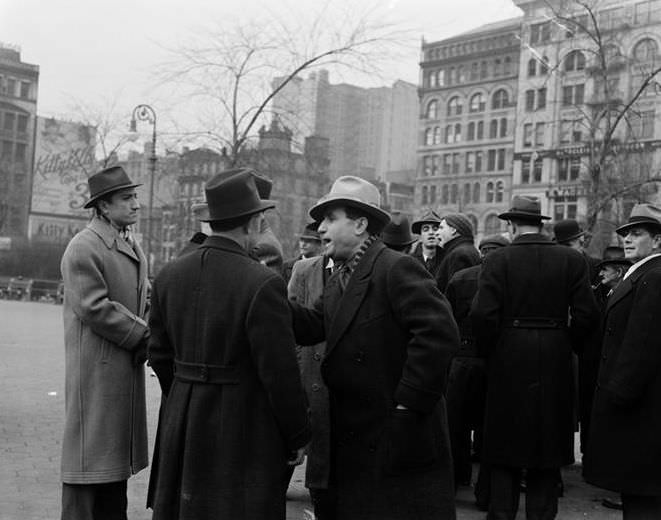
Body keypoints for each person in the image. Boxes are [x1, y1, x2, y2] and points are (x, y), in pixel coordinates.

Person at [290, 175, 460, 519]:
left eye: (330, 219)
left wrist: (407, 407)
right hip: (360, 437)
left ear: (360, 224)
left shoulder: (396, 268)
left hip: (398, 435)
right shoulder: (341, 277)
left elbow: (439, 335)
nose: (320, 229)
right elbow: (313, 325)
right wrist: (264, 294)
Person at [147, 169, 311, 520]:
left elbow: (158, 353)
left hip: (183, 417)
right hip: (242, 422)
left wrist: (183, 393)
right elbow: (278, 371)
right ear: (253, 222)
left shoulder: (168, 275)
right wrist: (297, 434)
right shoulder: (262, 282)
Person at [472, 196, 599, 520]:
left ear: (512, 225)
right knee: (547, 449)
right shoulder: (571, 260)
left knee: (503, 450)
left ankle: (502, 514)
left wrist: (495, 351)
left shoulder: (497, 261)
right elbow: (586, 315)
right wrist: (564, 341)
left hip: (508, 357)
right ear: (540, 224)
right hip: (555, 357)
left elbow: (482, 316)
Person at [60, 165, 150, 520]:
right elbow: (93, 306)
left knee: (111, 470)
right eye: (127, 198)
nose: (136, 204)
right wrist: (145, 334)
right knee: (89, 466)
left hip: (117, 369)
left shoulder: (128, 243)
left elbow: (143, 296)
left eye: (135, 197)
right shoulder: (84, 246)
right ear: (104, 207)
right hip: (97, 374)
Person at [584, 203, 661, 519]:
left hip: (639, 407)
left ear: (656, 241)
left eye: (637, 233)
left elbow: (641, 343)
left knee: (643, 498)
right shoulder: (642, 272)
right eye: (626, 232)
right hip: (637, 404)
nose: (628, 239)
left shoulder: (654, 276)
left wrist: (618, 394)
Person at [445, 234, 509, 508]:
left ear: (482, 251)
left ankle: (456, 481)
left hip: (461, 359)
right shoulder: (508, 279)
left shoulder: (461, 277)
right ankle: (487, 493)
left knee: (455, 424)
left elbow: (446, 317)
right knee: (489, 427)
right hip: (495, 360)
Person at [287, 242, 334, 519]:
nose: (324, 231)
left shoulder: (365, 271)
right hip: (309, 367)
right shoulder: (305, 269)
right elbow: (290, 319)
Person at [435, 213, 481, 292]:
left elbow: (458, 293)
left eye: (441, 228)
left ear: (453, 230)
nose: (436, 232)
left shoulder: (459, 255)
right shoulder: (466, 250)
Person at [410, 210, 443, 276]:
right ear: (420, 236)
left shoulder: (447, 259)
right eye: (426, 229)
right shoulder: (410, 261)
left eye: (435, 229)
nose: (431, 232)